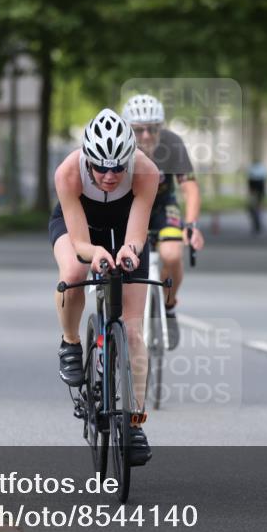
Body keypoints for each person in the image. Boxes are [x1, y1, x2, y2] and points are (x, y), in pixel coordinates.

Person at [50, 109, 158, 465]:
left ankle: (135, 421)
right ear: (88, 160)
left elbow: (137, 235)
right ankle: (70, 341)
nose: (110, 176)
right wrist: (94, 253)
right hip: (80, 226)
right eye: (101, 168)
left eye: (118, 168)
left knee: (132, 330)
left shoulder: (146, 172)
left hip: (125, 225)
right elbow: (81, 243)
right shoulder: (68, 173)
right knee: (74, 272)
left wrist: (129, 251)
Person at [121, 94, 204, 350]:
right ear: (128, 129)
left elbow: (189, 187)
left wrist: (190, 225)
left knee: (171, 254)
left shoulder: (173, 143)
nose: (146, 135)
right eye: (139, 130)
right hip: (127, 207)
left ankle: (168, 307)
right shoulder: (119, 145)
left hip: (161, 206)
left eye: (153, 129)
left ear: (162, 127)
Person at [246, 161, 267, 235]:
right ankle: (256, 223)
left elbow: (261, 184)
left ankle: (257, 223)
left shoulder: (255, 169)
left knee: (255, 207)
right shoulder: (259, 169)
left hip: (257, 191)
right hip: (256, 191)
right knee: (254, 208)